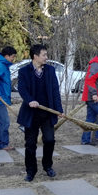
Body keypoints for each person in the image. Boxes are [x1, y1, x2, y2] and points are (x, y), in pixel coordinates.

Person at [17, 44, 64, 182]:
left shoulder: (50, 70)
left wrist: (58, 109)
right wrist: (30, 100)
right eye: (44, 55)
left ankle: (47, 166)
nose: (46, 57)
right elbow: (22, 89)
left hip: (47, 113)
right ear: (35, 56)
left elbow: (55, 91)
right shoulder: (24, 71)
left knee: (49, 140)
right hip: (31, 114)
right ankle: (31, 171)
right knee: (30, 144)